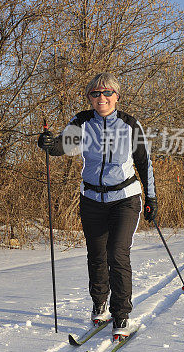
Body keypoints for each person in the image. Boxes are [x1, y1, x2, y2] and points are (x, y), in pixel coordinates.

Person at [37, 72, 157, 338]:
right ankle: (99, 303)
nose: (101, 98)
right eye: (95, 93)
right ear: (90, 98)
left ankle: (122, 315)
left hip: (125, 199)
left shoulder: (130, 125)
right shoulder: (82, 122)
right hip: (92, 199)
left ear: (117, 96)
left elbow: (144, 163)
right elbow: (62, 147)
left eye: (107, 93)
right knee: (97, 254)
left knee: (117, 253)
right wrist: (48, 144)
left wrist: (151, 199)